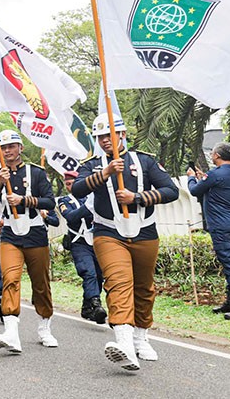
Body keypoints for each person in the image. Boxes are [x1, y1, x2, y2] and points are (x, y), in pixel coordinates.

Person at [72, 113, 178, 372]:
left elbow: (171, 191)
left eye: (110, 135)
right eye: (100, 137)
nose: (105, 140)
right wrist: (106, 172)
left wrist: (137, 197)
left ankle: (141, 337)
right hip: (108, 233)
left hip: (144, 232)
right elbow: (77, 189)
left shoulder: (144, 161)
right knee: (118, 282)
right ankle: (124, 345)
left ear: (122, 134)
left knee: (144, 288)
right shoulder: (92, 165)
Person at [0, 130, 58, 353]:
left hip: (35, 234)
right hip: (10, 236)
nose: (7, 151)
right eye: (4, 148)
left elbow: (50, 203)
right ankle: (11, 333)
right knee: (10, 279)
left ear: (20, 148)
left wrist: (24, 200)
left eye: (11, 147)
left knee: (40, 284)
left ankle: (45, 325)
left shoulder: (36, 173)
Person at [188, 142, 230, 320]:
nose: (211, 154)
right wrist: (206, 179)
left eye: (212, 152)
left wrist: (191, 177)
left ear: (217, 155)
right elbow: (221, 189)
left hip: (221, 225)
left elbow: (195, 190)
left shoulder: (214, 175)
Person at [58, 171, 107, 324]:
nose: (69, 186)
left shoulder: (91, 198)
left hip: (97, 240)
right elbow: (71, 217)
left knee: (99, 275)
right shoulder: (64, 201)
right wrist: (89, 206)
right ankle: (95, 303)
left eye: (72, 183)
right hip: (79, 242)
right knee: (88, 272)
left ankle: (86, 308)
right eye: (67, 183)